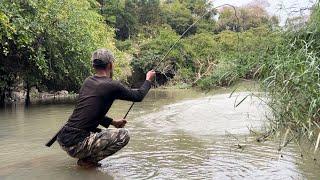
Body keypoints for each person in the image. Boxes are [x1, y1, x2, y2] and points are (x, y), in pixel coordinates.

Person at [57, 48, 156, 167]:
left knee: (107, 132)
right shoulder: (112, 85)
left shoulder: (88, 82)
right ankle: (87, 161)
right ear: (110, 65)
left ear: (94, 65)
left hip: (64, 138)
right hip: (76, 143)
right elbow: (138, 95)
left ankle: (85, 156)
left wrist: (113, 122)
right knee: (123, 135)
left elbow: (91, 112)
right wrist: (148, 80)